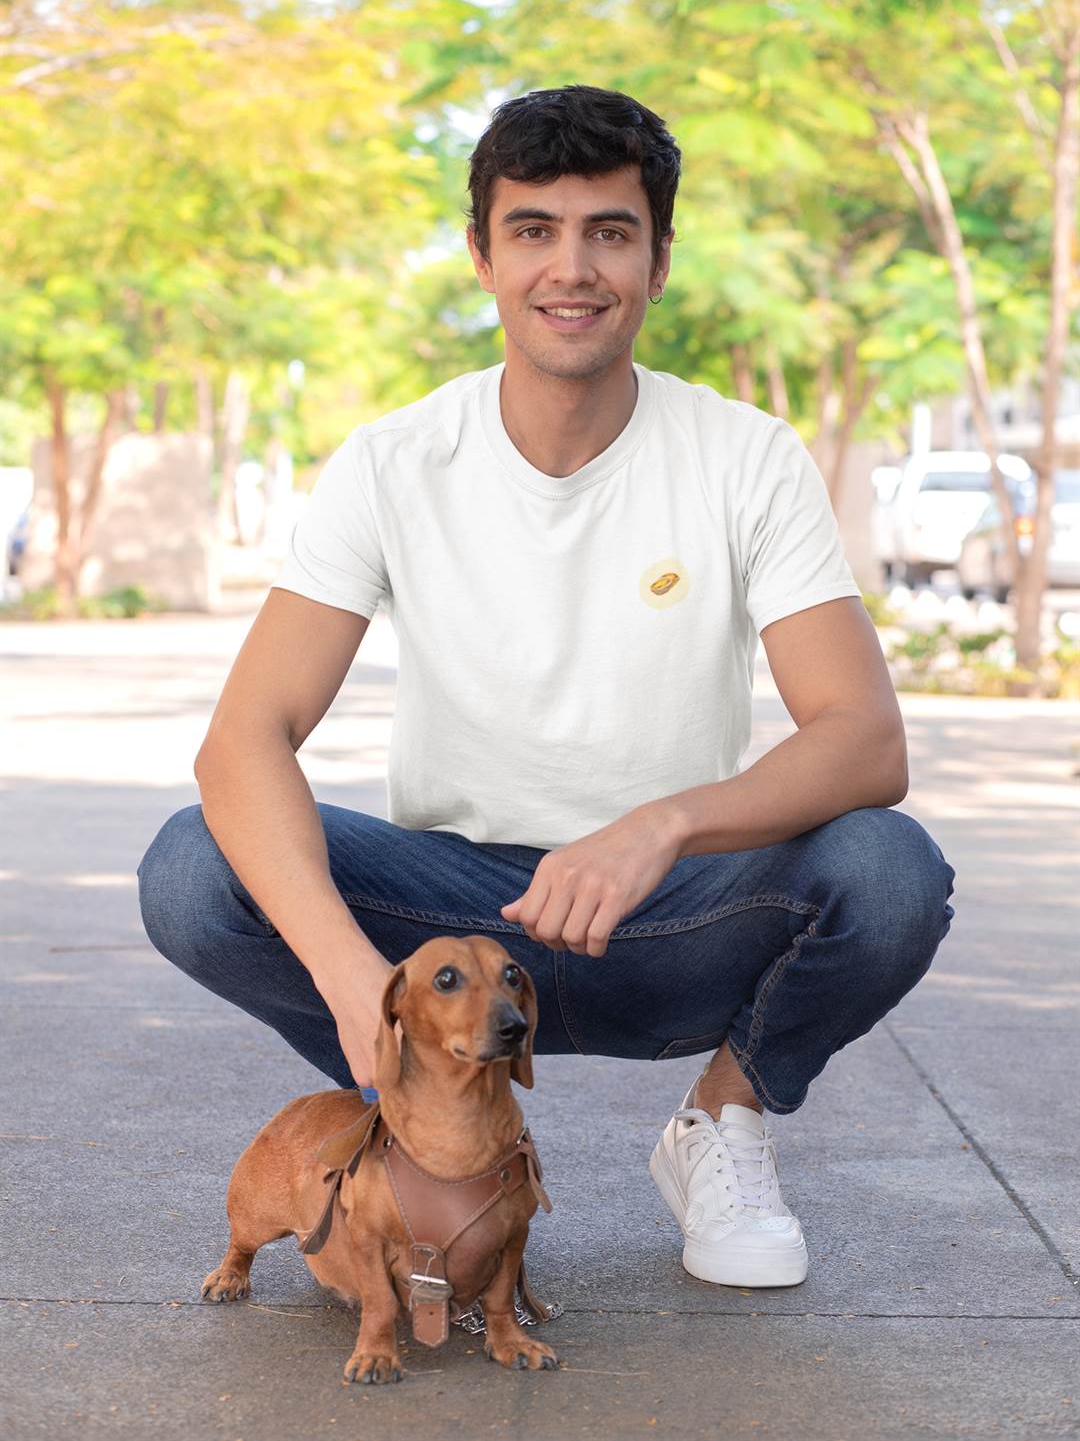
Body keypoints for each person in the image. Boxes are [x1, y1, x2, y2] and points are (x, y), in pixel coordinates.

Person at [138, 83, 956, 1291]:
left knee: (889, 871)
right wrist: (359, 985)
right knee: (193, 866)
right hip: (452, 926)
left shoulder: (745, 457)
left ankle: (719, 1125)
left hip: (665, 912)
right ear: (483, 256)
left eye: (609, 232)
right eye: (533, 230)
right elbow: (242, 741)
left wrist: (661, 825)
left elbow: (864, 739)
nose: (571, 268)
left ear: (659, 260)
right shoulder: (395, 460)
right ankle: (421, 1122)